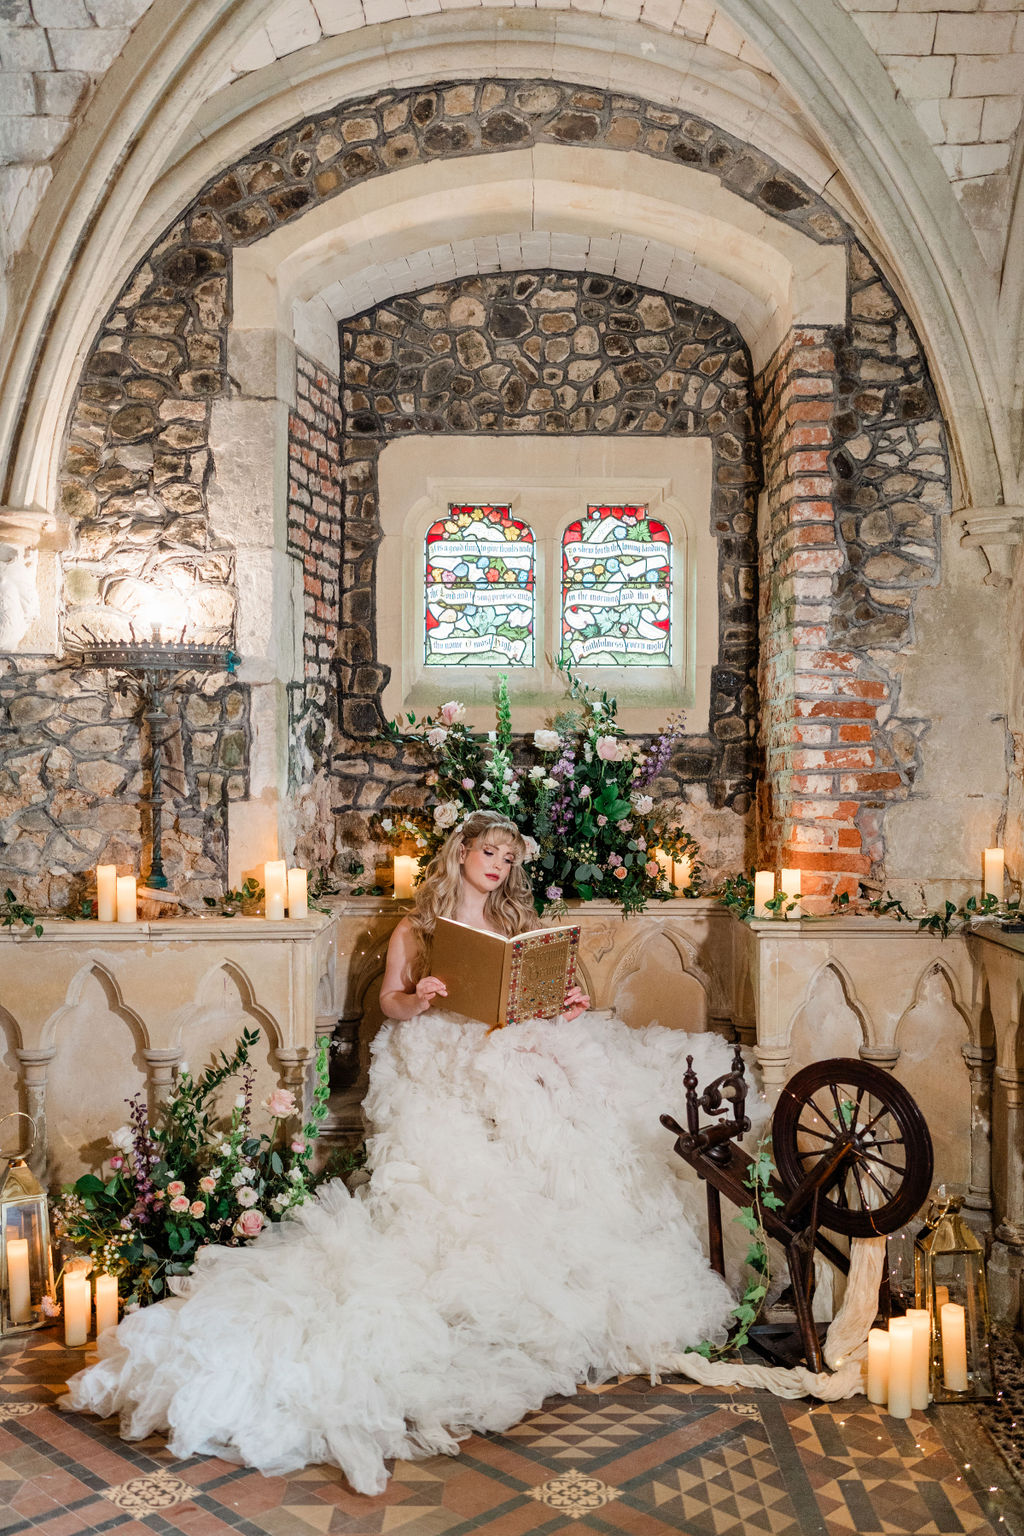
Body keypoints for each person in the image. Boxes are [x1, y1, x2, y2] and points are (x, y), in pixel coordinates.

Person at [64, 810, 739, 1496]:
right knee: (456, 1183)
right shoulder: (415, 929)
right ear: (463, 853)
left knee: (575, 1117)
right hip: (439, 1055)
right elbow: (389, 1003)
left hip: (508, 1053)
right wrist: (420, 996)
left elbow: (549, 999)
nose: (498, 866)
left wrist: (564, 1003)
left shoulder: (515, 925)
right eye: (489, 852)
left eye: (508, 857)